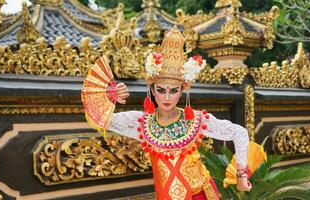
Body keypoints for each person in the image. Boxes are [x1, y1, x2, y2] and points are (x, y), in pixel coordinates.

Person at [106, 26, 251, 200]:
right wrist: (111, 97)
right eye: (160, 90)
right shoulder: (141, 123)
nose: (167, 97)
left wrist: (241, 176)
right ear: (151, 89)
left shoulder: (195, 120)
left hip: (201, 195)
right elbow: (102, 119)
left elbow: (240, 133)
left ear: (182, 91)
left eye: (173, 91)